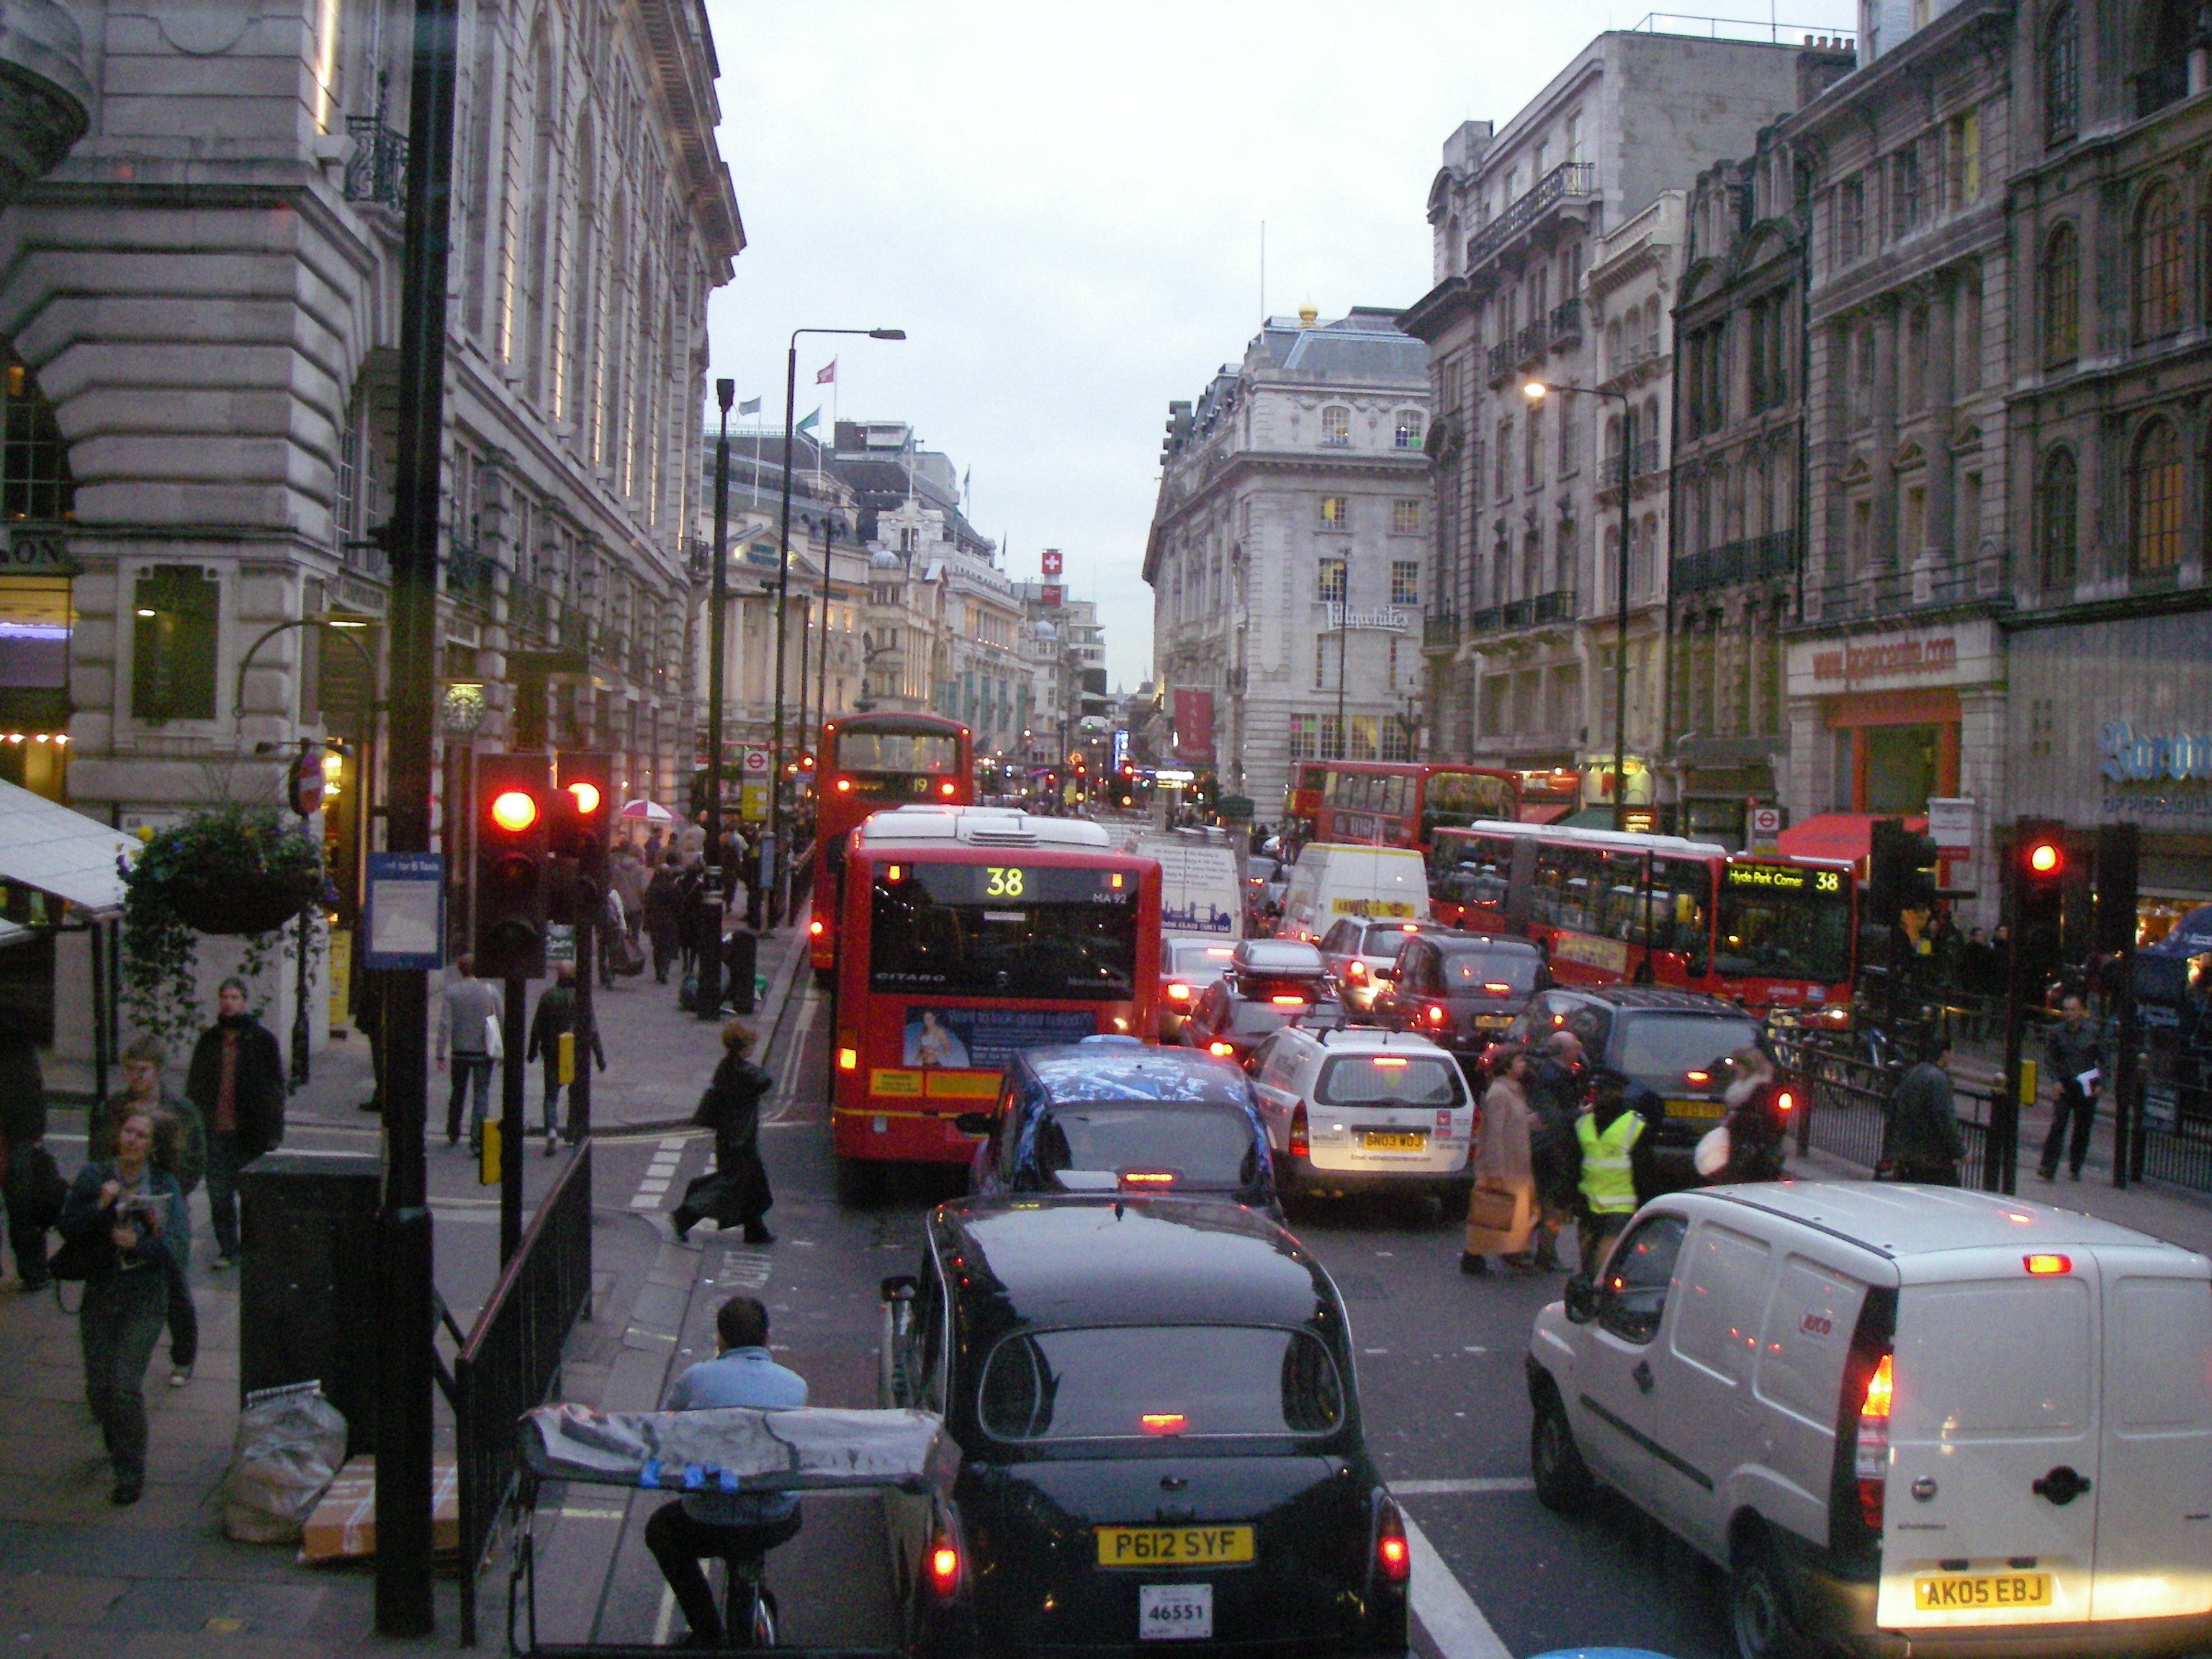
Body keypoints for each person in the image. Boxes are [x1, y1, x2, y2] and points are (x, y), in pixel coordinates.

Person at [644, 1295, 806, 1648]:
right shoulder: (794, 1386)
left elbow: (665, 1429)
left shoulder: (695, 1379)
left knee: (661, 1530)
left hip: (710, 1516)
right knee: (753, 1538)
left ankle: (707, 1632)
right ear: (766, 1337)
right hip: (773, 1516)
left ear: (721, 1338)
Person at [57, 1109, 189, 1505]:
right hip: (102, 1291)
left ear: (153, 1146)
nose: (132, 1140)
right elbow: (67, 1228)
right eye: (128, 1131)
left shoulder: (164, 1185)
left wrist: (141, 1245)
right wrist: (99, 1205)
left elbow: (178, 1245)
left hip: (145, 1295)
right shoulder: (94, 1177)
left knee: (124, 1385)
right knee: (100, 1389)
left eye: (142, 1135)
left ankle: (130, 1470)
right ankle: (117, 1434)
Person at [91, 1038, 205, 1385]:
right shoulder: (112, 1108)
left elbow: (196, 1158)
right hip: (122, 1203)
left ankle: (183, 1358)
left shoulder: (182, 1110)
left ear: (158, 1071)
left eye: (142, 1070)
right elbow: (97, 1154)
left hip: (166, 1206)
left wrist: (171, 1192)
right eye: (129, 1069)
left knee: (174, 1283)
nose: (134, 1076)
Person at [182, 979, 284, 1269]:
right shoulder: (209, 1041)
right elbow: (195, 1086)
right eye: (225, 997)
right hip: (214, 1132)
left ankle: (254, 1247)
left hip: (248, 1132)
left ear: (244, 1002)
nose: (229, 1002)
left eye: (235, 997)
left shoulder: (262, 1041)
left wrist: (274, 1132)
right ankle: (229, 1249)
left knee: (251, 1196)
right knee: (218, 1195)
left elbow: (275, 1089)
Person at [672, 1022, 777, 1245]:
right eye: (751, 1044)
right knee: (730, 1183)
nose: (754, 1049)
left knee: (753, 1183)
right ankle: (685, 1215)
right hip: (738, 1138)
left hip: (733, 1135)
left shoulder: (727, 1066)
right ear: (743, 1046)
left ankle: (755, 1229)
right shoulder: (739, 1069)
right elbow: (764, 1081)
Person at [1460, 1046, 1537, 1277]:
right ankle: (1473, 1257)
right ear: (1507, 1067)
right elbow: (1493, 1134)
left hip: (1515, 1165)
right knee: (1488, 1214)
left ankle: (1511, 1251)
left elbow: (1515, 1122)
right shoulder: (1500, 1094)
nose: (1523, 1065)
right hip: (1503, 1167)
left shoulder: (1513, 1092)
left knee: (1514, 1214)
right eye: (1519, 1062)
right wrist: (1495, 1171)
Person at [1575, 1068, 1654, 1279]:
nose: (1599, 1095)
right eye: (1596, 1090)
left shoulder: (1634, 1124)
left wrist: (1645, 1202)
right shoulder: (1583, 1122)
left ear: (1618, 1092)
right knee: (1587, 1262)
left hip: (1620, 1205)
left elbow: (1643, 1168)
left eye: (1604, 1090)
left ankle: (1600, 1295)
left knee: (1604, 1261)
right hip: (1588, 1203)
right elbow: (1575, 1161)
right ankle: (1589, 1292)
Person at [524, 963, 606, 1153]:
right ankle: (571, 1133)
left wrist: (532, 1051)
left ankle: (551, 1130)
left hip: (552, 1053)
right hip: (576, 1054)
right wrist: (600, 1058)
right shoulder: (581, 997)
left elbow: (537, 1026)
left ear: (558, 975)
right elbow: (592, 1029)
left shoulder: (548, 996)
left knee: (551, 1096)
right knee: (575, 1094)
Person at [1524, 1030, 1586, 1272]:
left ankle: (1527, 1248)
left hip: (1548, 1145)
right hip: (1553, 1147)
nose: (1579, 1050)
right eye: (1576, 1046)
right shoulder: (1555, 1077)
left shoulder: (1553, 1073)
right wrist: (1580, 1113)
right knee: (1552, 1202)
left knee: (1544, 1200)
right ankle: (1544, 1253)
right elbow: (1554, 1116)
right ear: (1565, 1051)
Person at [1, 1020, 50, 1292]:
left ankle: (33, 1270)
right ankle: (33, 1271)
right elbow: (34, 1090)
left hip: (16, 1135)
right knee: (22, 1208)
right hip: (19, 1135)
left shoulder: (15, 1041)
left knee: (22, 1207)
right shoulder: (19, 1044)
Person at [436, 954, 502, 1151]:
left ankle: (453, 1132)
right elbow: (501, 1019)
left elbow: (444, 1024)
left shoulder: (452, 991)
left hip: (459, 1051)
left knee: (458, 1092)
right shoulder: (490, 991)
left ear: (459, 969)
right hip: (483, 1052)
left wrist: (440, 1053)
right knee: (481, 1093)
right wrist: (501, 1050)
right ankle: (476, 1139)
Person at [2038, 994, 2105, 1182]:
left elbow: (2104, 1059)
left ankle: (2076, 1166)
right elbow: (2050, 1058)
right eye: (2066, 1010)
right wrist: (2055, 1081)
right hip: (2066, 1083)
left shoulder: (2092, 1032)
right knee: (2058, 1125)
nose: (2069, 1014)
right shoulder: (2057, 1033)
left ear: (2081, 1011)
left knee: (2082, 1129)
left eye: (2073, 1010)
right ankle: (2048, 1166)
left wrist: (2102, 1084)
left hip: (2086, 1085)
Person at [1885, 1040, 1965, 1184]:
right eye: (1951, 1053)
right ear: (1944, 1054)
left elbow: (1895, 1106)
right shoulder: (1939, 1079)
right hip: (1933, 1156)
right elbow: (1946, 1120)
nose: (1952, 1057)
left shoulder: (1915, 1071)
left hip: (1909, 1153)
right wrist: (1960, 1151)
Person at [1709, 1046, 1786, 1184]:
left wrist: (1732, 1122)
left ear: (1748, 1066)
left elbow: (1755, 1120)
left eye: (1738, 1064)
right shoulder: (1745, 1085)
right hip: (1745, 1147)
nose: (1734, 1068)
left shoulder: (1759, 1089)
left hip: (1748, 1151)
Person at [644, 852, 685, 985]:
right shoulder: (673, 888)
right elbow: (679, 906)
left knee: (657, 947)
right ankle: (665, 970)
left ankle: (658, 971)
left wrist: (646, 923)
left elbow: (648, 906)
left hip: (655, 920)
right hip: (670, 921)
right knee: (667, 946)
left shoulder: (652, 888)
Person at [1955, 926, 1997, 1041]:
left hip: (1980, 984)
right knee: (1966, 1008)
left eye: (1983, 936)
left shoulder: (1986, 951)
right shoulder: (1967, 950)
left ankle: (1975, 1032)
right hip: (1969, 984)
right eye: (1979, 935)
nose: (1982, 938)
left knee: (1978, 1009)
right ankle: (1963, 1030)